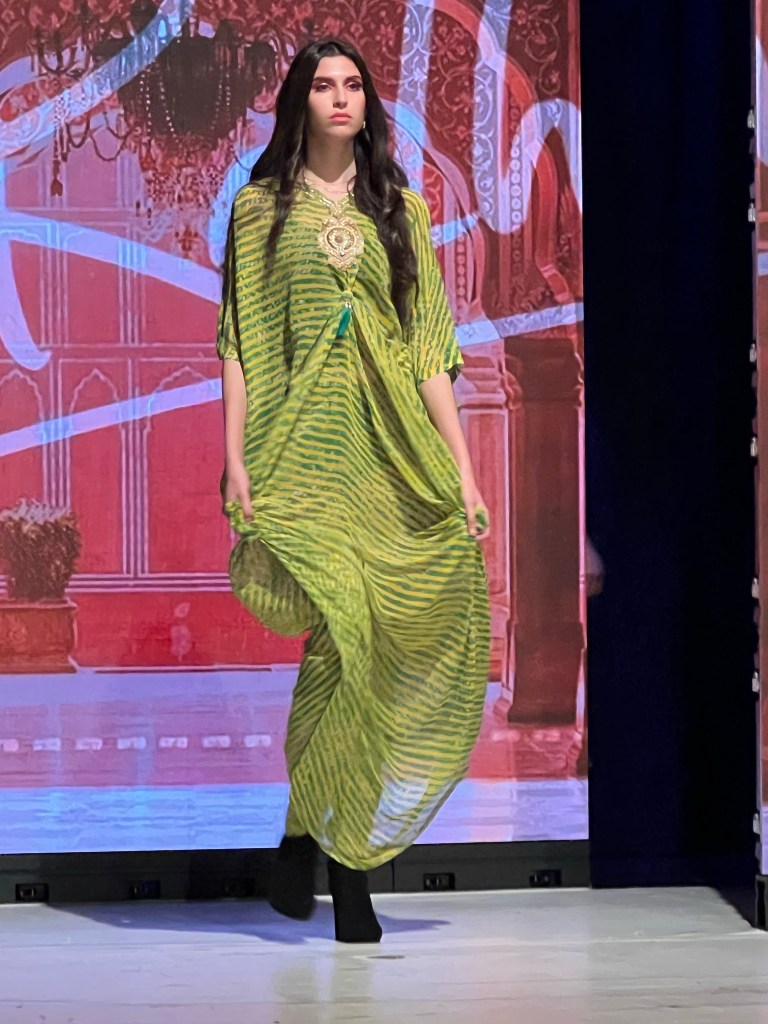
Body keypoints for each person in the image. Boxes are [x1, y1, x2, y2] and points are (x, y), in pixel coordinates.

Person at [217, 37, 491, 944]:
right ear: (300, 101)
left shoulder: (402, 209)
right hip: (300, 454)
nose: (342, 98)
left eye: (355, 85)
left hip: (391, 455)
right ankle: (336, 862)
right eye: (324, 85)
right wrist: (236, 456)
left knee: (357, 652)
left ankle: (319, 847)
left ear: (370, 104)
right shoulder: (259, 209)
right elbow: (241, 341)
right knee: (344, 633)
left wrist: (463, 470)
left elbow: (430, 348)